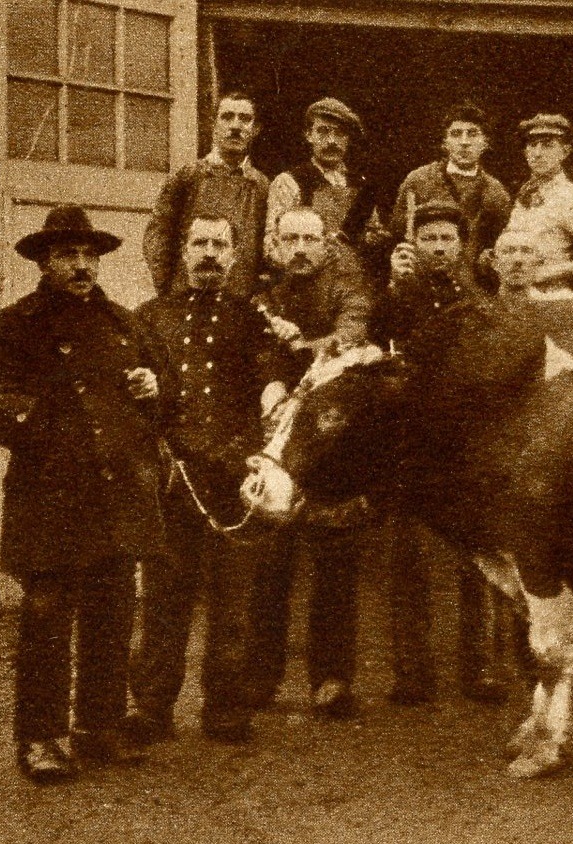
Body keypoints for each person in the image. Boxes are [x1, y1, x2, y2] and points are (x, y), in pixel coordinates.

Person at [0, 205, 165, 782]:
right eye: (68, 254)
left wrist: (150, 389)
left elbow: (162, 405)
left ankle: (100, 726)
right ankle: (40, 738)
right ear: (44, 261)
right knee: (45, 621)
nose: (82, 265)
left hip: (113, 498)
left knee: (111, 614)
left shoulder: (124, 324)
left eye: (89, 254)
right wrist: (48, 422)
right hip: (49, 500)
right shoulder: (14, 325)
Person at [126, 215, 278, 747]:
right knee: (166, 597)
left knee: (235, 600)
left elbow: (273, 389)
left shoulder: (254, 320)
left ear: (235, 255)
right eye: (200, 243)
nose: (209, 253)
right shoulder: (148, 318)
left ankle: (225, 708)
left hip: (233, 482)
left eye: (220, 244)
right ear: (183, 251)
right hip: (174, 480)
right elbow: (131, 398)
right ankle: (151, 707)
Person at [371, 200, 512, 705]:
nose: (437, 248)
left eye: (446, 239)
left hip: (464, 447)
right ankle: (412, 671)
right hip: (411, 447)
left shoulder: (477, 302)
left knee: (475, 563)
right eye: (427, 238)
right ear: (415, 244)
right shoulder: (394, 299)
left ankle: (481, 669)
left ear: (461, 247)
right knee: (408, 561)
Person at [247, 206, 374, 719]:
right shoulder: (262, 295)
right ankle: (260, 678)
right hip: (275, 437)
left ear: (326, 245)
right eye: (290, 239)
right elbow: (254, 353)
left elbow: (352, 334)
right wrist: (272, 384)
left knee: (335, 567)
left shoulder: (348, 289)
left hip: (331, 446)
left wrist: (302, 343)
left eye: (309, 239)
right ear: (276, 245)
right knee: (270, 566)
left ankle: (332, 678)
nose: (300, 248)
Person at [144, 91, 268, 297]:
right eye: (227, 117)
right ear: (214, 124)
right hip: (188, 295)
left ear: (255, 129)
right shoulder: (189, 176)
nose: (235, 126)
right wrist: (168, 292)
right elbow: (158, 237)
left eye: (245, 119)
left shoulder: (261, 185)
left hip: (239, 300)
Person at [388, 102, 511, 281]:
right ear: (445, 143)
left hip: (472, 285)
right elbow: (398, 234)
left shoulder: (496, 192)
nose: (464, 142)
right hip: (423, 281)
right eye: (456, 134)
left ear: (485, 142)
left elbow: (501, 247)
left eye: (472, 134)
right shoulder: (419, 180)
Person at [265, 98, 389, 273]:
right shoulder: (290, 181)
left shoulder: (361, 186)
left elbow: (371, 235)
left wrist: (374, 239)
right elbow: (271, 245)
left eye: (340, 133)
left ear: (348, 138)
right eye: (323, 131)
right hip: (305, 281)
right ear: (309, 135)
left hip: (353, 284)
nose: (332, 141)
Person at [503, 113, 573, 294]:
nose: (537, 153)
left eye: (547, 145)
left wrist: (547, 273)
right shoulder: (525, 194)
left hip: (553, 298)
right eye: (532, 145)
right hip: (517, 295)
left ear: (564, 151)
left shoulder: (572, 199)